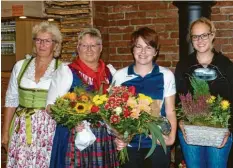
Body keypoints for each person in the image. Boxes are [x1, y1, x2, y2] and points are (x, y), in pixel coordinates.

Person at [46, 28, 119, 168]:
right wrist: (71, 121)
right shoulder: (67, 71)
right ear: (78, 48)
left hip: (104, 137)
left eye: (93, 45)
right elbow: (50, 107)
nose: (89, 49)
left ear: (101, 48)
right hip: (75, 135)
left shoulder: (110, 72)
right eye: (84, 45)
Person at [112, 27, 177, 168]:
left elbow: (171, 111)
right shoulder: (120, 76)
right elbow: (113, 112)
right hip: (129, 144)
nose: (143, 52)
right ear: (132, 49)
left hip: (157, 143)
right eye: (138, 47)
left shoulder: (166, 75)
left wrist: (171, 138)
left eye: (148, 47)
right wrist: (118, 137)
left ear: (155, 51)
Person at [1, 21, 62, 167]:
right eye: (38, 40)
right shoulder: (20, 66)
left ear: (56, 45)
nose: (42, 44)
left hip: (48, 128)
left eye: (47, 41)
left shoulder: (62, 69)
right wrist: (4, 132)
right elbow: (11, 99)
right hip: (21, 127)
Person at [175, 17, 233, 168]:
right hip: (190, 129)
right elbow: (177, 98)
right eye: (195, 36)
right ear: (191, 39)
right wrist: (180, 121)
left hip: (219, 131)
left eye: (204, 35)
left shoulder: (225, 65)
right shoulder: (184, 65)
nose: (200, 40)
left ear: (212, 35)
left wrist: (229, 128)